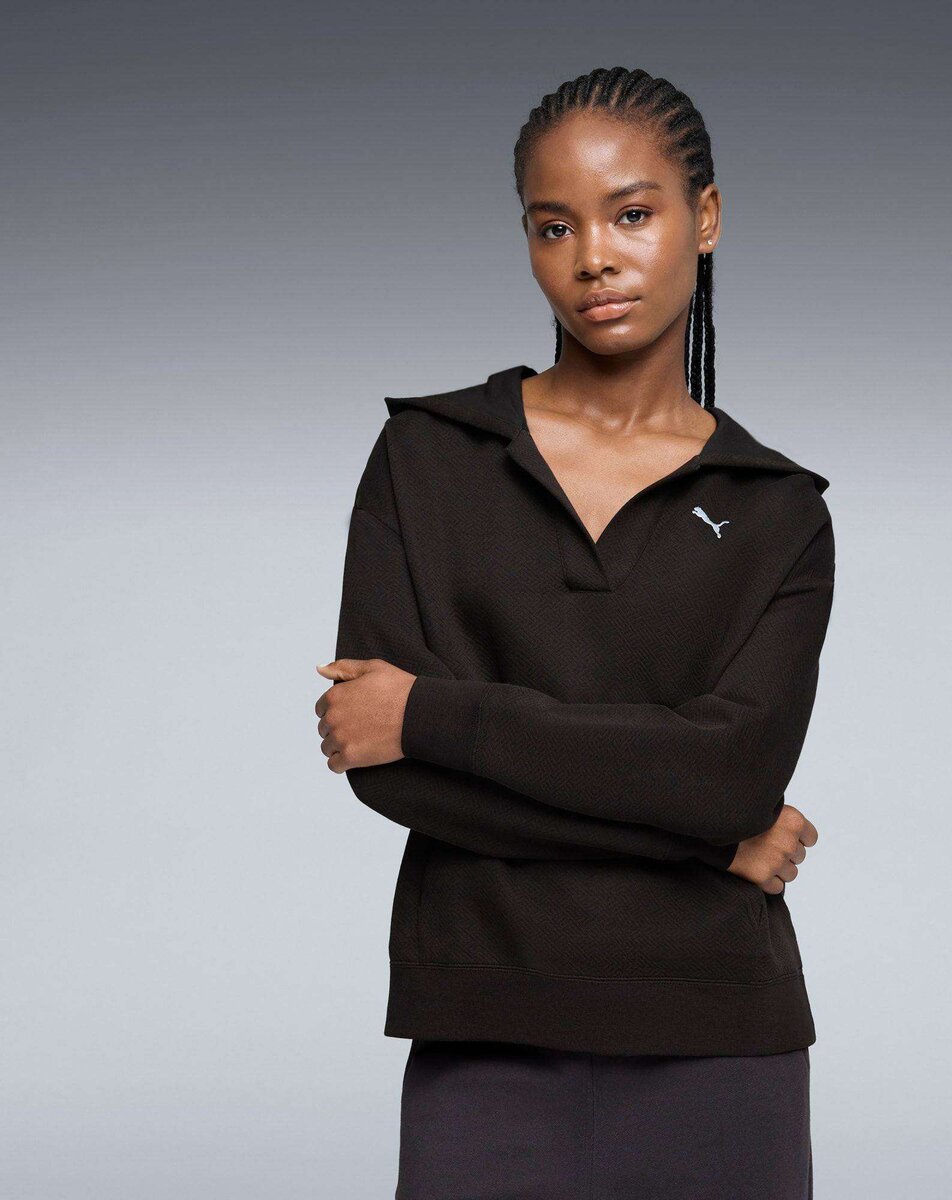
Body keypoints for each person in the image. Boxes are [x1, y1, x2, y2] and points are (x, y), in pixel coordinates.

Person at [315, 65, 835, 1200]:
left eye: (631, 214)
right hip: (485, 1023)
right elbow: (387, 771)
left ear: (705, 217)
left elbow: (729, 775)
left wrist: (433, 714)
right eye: (555, 227)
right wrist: (706, 846)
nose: (593, 256)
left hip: (720, 1034)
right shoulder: (427, 457)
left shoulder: (778, 509)